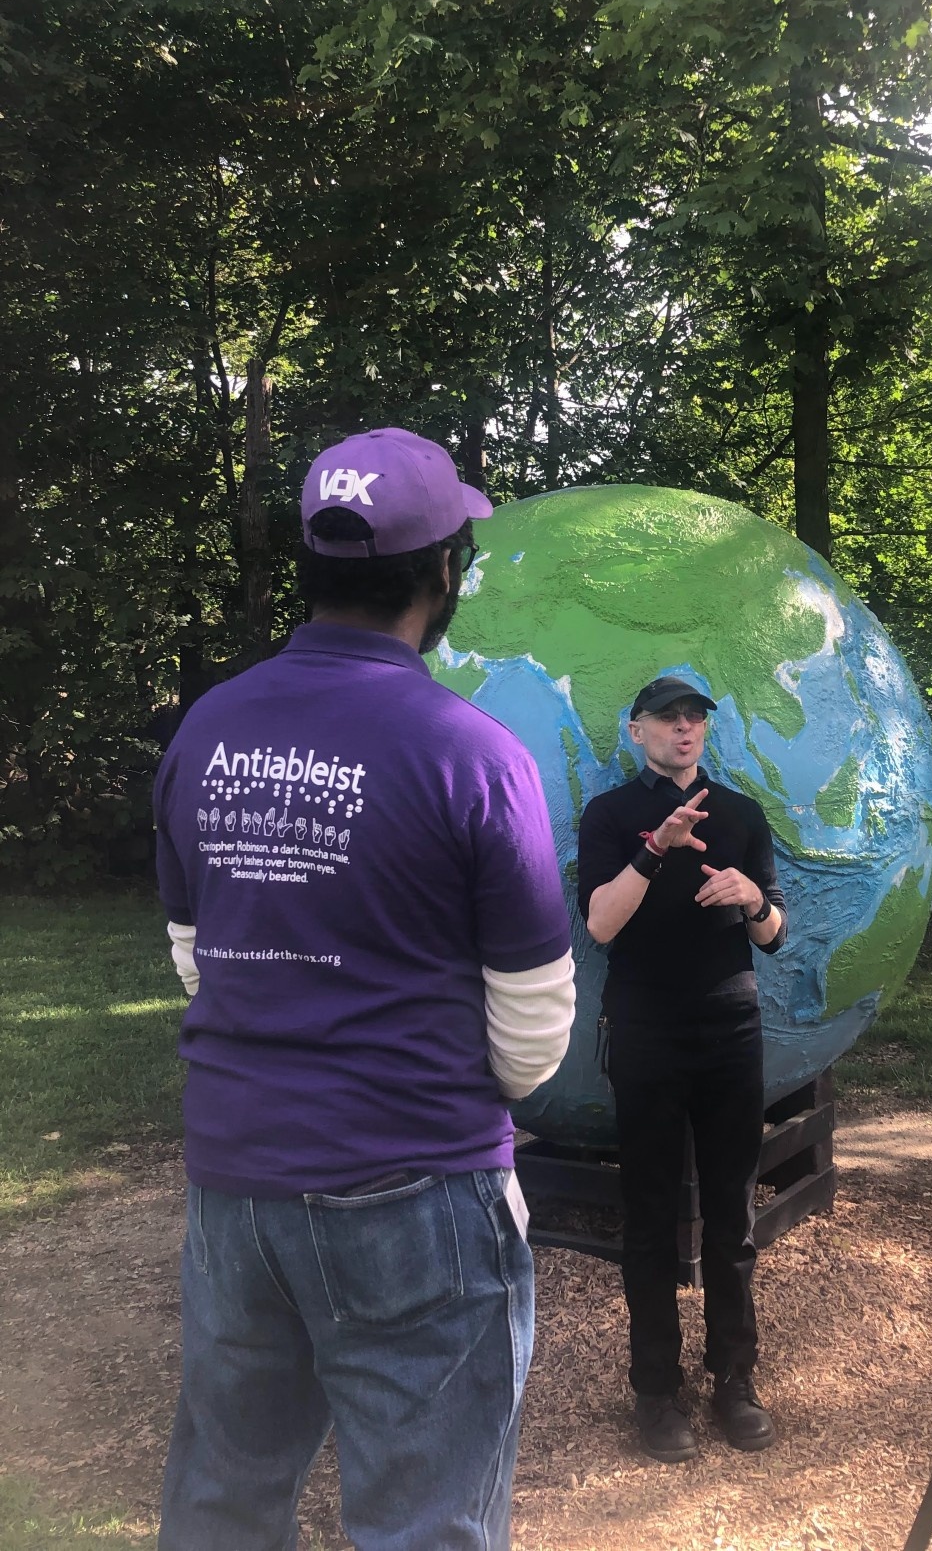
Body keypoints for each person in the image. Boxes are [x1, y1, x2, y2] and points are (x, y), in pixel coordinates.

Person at [152, 427, 575, 1551]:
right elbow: (533, 1017)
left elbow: (193, 952)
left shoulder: (210, 726)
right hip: (415, 1183)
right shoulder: (469, 751)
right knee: (425, 1520)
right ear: (443, 573)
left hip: (234, 1185)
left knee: (224, 1500)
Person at [576, 675, 787, 1462]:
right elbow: (599, 923)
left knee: (732, 1214)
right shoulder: (610, 816)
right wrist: (654, 849)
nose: (685, 726)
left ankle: (734, 1377)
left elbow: (775, 934)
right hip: (645, 1030)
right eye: (668, 717)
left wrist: (752, 901)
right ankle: (655, 1389)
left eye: (696, 715)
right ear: (637, 732)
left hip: (731, 1027)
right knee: (650, 1216)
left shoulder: (741, 815)